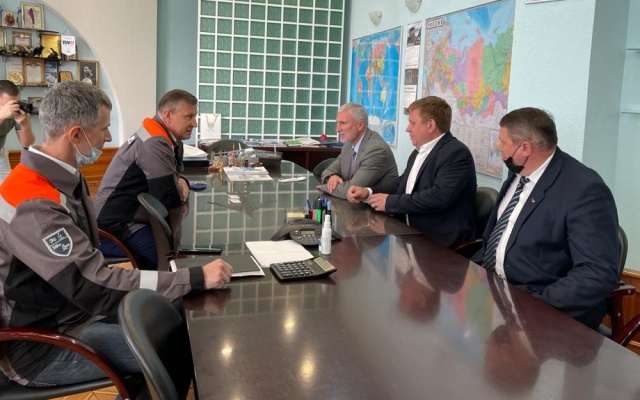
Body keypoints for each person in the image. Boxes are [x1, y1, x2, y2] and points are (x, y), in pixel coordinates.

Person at [0, 81, 233, 389]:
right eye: (104, 129)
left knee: (175, 315)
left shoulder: (59, 177)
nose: (109, 137)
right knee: (175, 350)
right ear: (75, 135)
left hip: (74, 312)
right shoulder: (36, 202)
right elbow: (93, 285)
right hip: (40, 345)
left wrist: (182, 284)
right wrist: (193, 278)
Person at [476, 107, 619, 330]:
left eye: (502, 141)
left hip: (544, 308)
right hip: (498, 294)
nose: (498, 146)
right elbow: (499, 236)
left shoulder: (584, 189)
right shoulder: (519, 171)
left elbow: (596, 273)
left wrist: (535, 305)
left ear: (525, 148)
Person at [347, 96, 477, 247]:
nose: (408, 128)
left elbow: (439, 197)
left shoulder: (456, 153)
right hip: (411, 234)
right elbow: (401, 184)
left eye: (412, 123)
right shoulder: (418, 152)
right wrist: (368, 192)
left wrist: (390, 202)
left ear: (430, 125)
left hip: (440, 241)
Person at [95, 89, 196, 270]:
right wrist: (181, 185)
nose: (194, 123)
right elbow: (169, 197)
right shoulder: (154, 141)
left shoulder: (170, 138)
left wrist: (182, 182)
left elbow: (175, 176)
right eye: (189, 117)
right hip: (116, 222)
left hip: (132, 216)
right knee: (167, 261)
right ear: (168, 115)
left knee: (173, 252)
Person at [318, 102, 398, 199]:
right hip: (354, 204)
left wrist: (324, 187)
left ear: (360, 125)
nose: (337, 129)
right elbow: (328, 171)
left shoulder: (376, 150)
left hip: (373, 207)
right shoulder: (348, 145)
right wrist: (332, 176)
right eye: (337, 123)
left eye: (343, 123)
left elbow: (351, 190)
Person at [0, 80, 35, 184]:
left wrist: (24, 124)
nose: (13, 108)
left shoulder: (17, 111)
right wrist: (1, 117)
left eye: (16, 102)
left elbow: (27, 144)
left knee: (7, 187)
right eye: (8, 105)